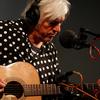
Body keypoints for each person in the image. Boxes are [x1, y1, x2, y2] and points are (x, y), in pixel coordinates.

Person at [0, 0, 71, 99]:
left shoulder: (50, 51)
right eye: (53, 23)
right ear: (34, 17)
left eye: (60, 23)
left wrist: (88, 91)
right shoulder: (5, 31)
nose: (58, 29)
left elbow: (58, 90)